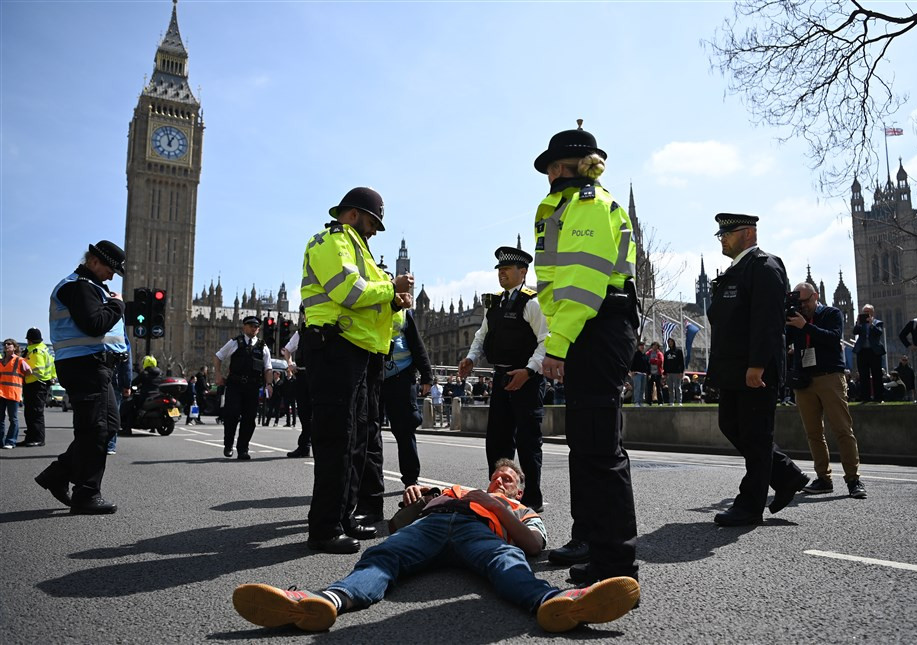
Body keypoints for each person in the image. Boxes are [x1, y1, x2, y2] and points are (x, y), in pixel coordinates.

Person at [231, 459, 640, 634]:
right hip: (431, 525)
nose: (501, 481)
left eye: (509, 479)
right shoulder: (453, 489)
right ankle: (323, 601)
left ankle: (557, 604)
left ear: (520, 487)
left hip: (480, 534)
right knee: (382, 557)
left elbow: (534, 546)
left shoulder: (519, 507)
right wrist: (414, 504)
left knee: (508, 561)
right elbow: (394, 529)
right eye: (496, 477)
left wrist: (496, 505)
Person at [531, 121, 639, 584]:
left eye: (553, 167)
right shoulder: (570, 205)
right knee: (586, 444)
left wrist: (557, 346)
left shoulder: (587, 205)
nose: (548, 176)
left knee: (599, 447)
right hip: (585, 330)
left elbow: (581, 283)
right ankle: (590, 540)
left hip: (595, 327)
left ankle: (614, 562)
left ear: (568, 167)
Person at [299, 186, 413, 554]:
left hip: (361, 353)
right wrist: (391, 288)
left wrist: (394, 300)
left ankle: (345, 517)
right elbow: (348, 291)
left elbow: (372, 302)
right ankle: (325, 528)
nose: (375, 231)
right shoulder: (331, 241)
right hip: (334, 349)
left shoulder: (359, 247)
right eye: (372, 222)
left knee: (357, 440)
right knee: (336, 439)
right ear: (352, 214)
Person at [706, 214, 808, 526]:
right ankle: (786, 474)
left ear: (748, 233)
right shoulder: (735, 270)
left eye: (728, 233)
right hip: (733, 368)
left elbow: (767, 320)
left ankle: (750, 505)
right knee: (733, 426)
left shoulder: (765, 266)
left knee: (756, 433)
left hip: (754, 368)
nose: (722, 238)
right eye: (720, 234)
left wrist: (758, 364)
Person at [35, 240, 128, 514]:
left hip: (96, 366)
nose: (112, 275)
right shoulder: (78, 286)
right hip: (85, 365)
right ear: (94, 261)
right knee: (94, 429)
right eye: (110, 269)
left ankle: (58, 474)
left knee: (108, 425)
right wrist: (117, 306)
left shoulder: (91, 286)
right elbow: (93, 323)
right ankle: (86, 494)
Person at [459, 246, 548, 512]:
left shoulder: (532, 303)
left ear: (523, 272)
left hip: (526, 379)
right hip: (501, 377)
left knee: (528, 441)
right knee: (497, 440)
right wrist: (471, 358)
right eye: (499, 270)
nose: (502, 274)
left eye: (507, 270)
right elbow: (481, 335)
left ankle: (532, 496)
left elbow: (546, 341)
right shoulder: (494, 303)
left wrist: (530, 370)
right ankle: (499, 492)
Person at [785, 282, 868, 499]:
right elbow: (783, 342)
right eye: (798, 302)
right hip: (804, 380)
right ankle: (823, 478)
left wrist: (805, 326)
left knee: (842, 429)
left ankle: (853, 479)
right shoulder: (794, 318)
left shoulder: (832, 313)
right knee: (813, 433)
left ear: (816, 296)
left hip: (830, 377)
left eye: (805, 301)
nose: (802, 306)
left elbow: (833, 338)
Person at [382, 308, 433, 487]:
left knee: (404, 429)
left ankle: (411, 479)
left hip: (401, 376)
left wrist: (427, 376)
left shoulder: (403, 312)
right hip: (373, 377)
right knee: (367, 433)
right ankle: (369, 484)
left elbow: (417, 344)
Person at [214, 316, 273, 459]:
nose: (254, 329)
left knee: (249, 419)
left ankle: (243, 449)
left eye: (256, 327)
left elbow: (268, 368)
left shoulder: (262, 346)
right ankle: (228, 445)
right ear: (244, 327)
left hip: (252, 387)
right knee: (231, 415)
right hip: (235, 385)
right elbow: (218, 356)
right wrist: (217, 375)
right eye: (251, 326)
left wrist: (269, 384)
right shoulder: (235, 342)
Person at [282, 310, 313, 457]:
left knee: (317, 413)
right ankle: (305, 446)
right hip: (302, 375)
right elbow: (287, 350)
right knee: (304, 412)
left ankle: (308, 444)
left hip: (318, 376)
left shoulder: (326, 328)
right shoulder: (301, 333)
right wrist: (289, 363)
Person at [21, 328, 55, 447]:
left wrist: (26, 374)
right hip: (39, 384)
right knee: (32, 412)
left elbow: (37, 370)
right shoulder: (44, 349)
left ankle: (38, 439)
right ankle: (31, 437)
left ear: (29, 340)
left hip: (35, 384)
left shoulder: (35, 351)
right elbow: (52, 366)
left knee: (35, 413)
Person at [851, 304, 885, 403]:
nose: (866, 314)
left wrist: (871, 324)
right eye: (865, 312)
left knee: (877, 375)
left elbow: (878, 333)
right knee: (863, 375)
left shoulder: (877, 322)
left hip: (874, 352)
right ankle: (865, 398)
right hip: (862, 352)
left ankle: (879, 398)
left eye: (868, 312)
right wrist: (857, 323)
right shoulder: (860, 323)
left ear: (872, 312)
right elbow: (854, 332)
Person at [1, 339, 32, 449]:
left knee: (13, 418)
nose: (6, 346)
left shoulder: (19, 360)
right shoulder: (1, 361)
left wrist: (20, 378)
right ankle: (1, 441)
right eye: (5, 344)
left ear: (14, 347)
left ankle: (10, 442)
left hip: (13, 393)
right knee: (0, 419)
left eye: (9, 344)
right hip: (1, 393)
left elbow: (29, 371)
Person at [106, 336, 132, 454]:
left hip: (95, 376)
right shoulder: (119, 334)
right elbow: (126, 362)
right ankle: (110, 445)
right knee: (113, 413)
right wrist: (127, 384)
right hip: (113, 379)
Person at [663, 337, 685, 406]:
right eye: (669, 342)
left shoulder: (678, 351)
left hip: (677, 373)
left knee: (678, 387)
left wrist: (681, 372)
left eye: (671, 342)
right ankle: (671, 401)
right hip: (669, 373)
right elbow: (665, 363)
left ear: (674, 342)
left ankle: (679, 401)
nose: (670, 343)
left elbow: (681, 362)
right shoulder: (667, 353)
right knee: (670, 388)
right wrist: (665, 373)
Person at [629, 341, 649, 407]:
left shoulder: (645, 355)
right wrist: (632, 371)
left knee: (642, 389)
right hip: (637, 374)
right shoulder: (635, 354)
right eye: (641, 346)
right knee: (637, 388)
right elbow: (631, 363)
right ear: (638, 347)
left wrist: (648, 373)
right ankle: (636, 402)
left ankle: (641, 402)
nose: (642, 347)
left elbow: (647, 365)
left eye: (643, 346)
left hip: (644, 374)